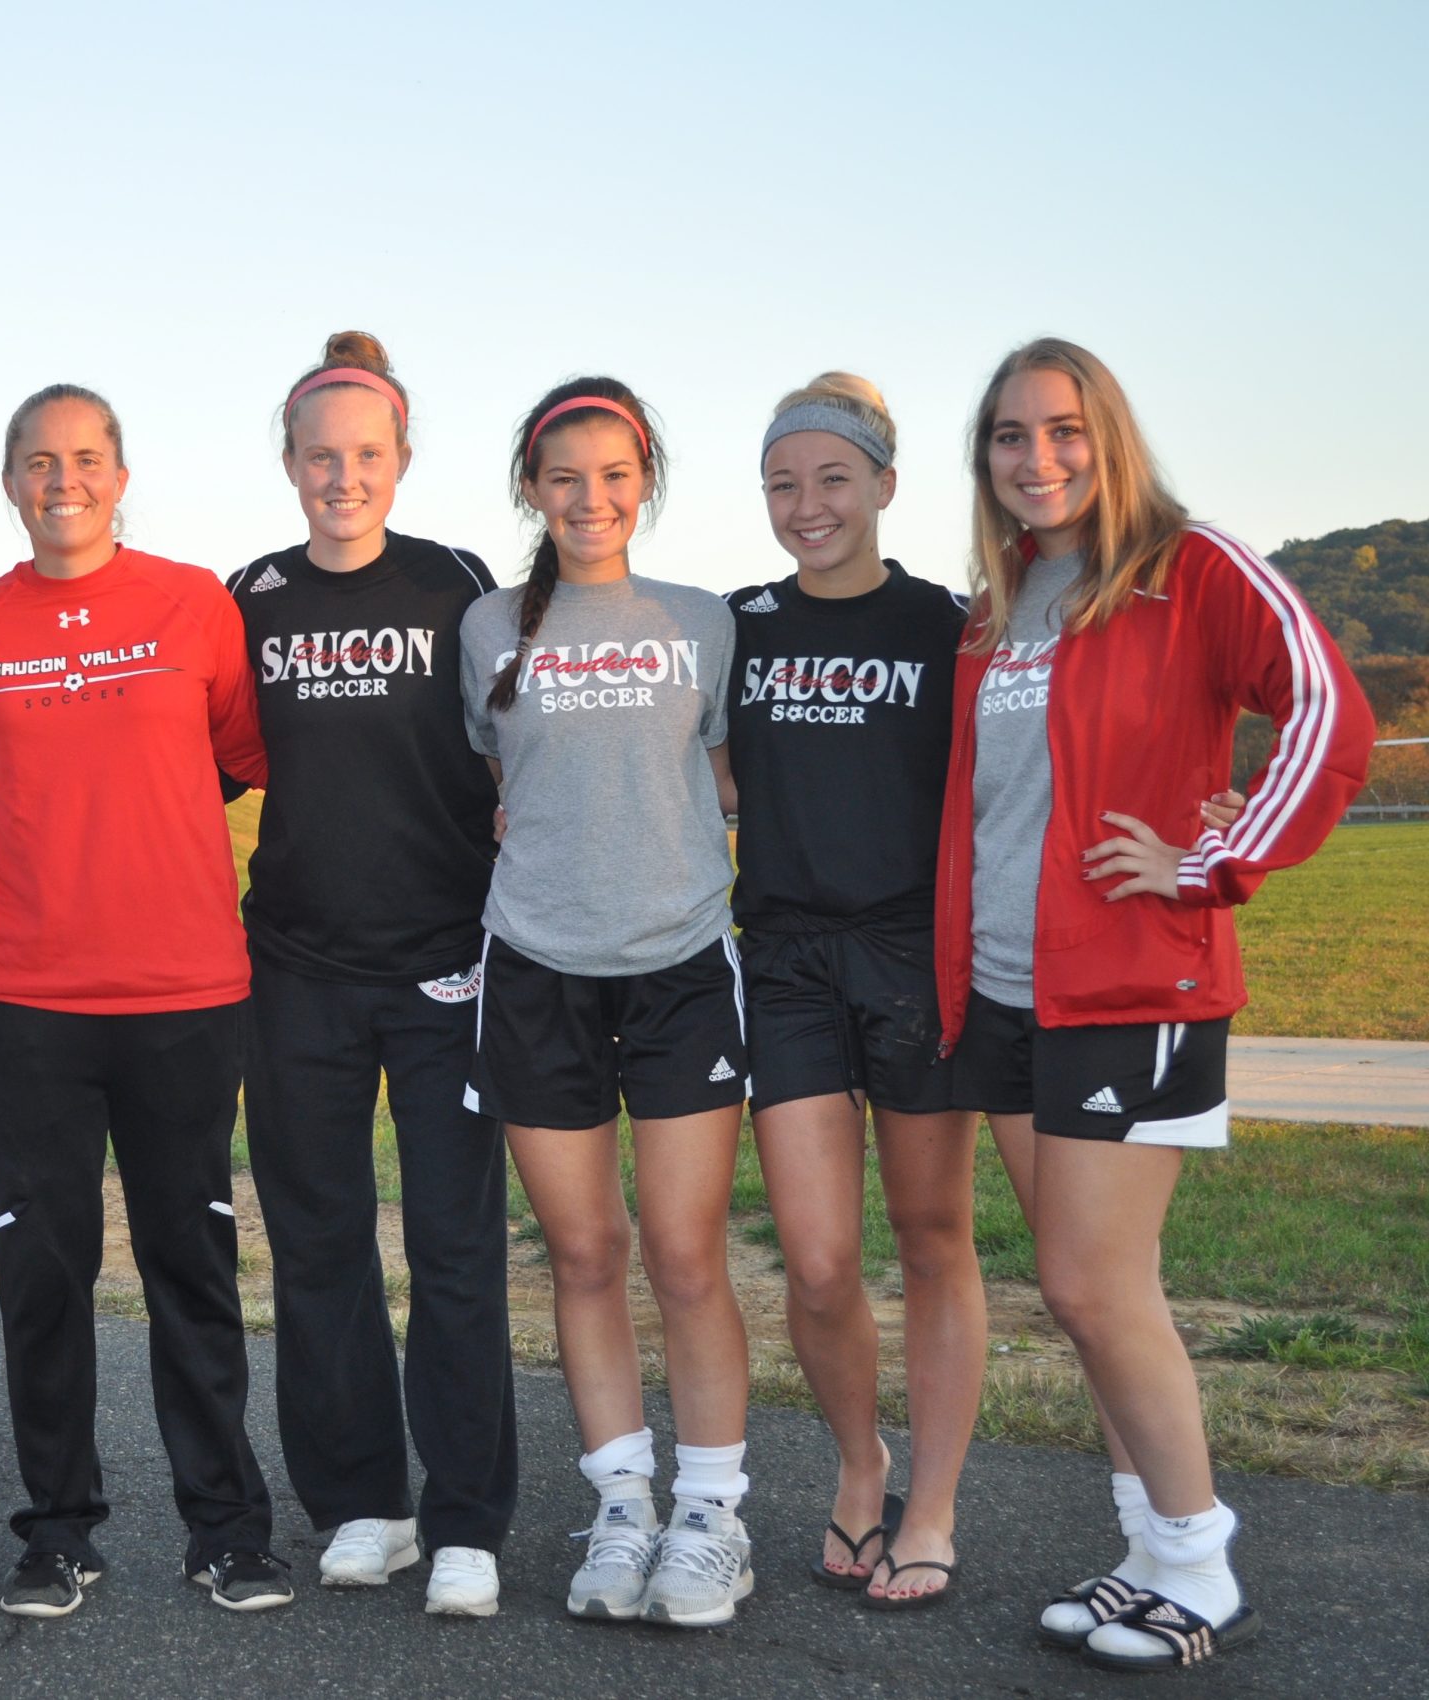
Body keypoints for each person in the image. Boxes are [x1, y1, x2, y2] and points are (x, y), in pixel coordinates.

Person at [938, 337, 1371, 1672]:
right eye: (1010, 436)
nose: (1039, 457)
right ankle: (1146, 1550)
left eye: (1063, 430)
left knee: (1091, 1285)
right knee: (1089, 1297)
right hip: (1011, 990)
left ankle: (1200, 1566)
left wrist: (1210, 861)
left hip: (1138, 984)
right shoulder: (999, 607)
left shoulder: (1191, 568)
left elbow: (1328, 716)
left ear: (1109, 436)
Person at [0, 384, 284, 1619]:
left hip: (184, 987)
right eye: (36, 460)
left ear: (121, 475)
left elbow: (241, 755)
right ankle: (59, 1531)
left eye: (83, 458)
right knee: (44, 1270)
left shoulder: (194, 601)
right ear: (9, 481)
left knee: (190, 1257)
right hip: (27, 992)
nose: (60, 479)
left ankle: (228, 1529)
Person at [459, 378, 757, 1629]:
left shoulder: (703, 621)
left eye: (614, 473)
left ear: (647, 480)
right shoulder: (485, 628)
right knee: (584, 1251)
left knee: (684, 1252)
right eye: (564, 476)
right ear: (531, 487)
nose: (590, 498)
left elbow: (729, 778)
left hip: (682, 961)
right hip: (535, 965)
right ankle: (621, 1502)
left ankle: (708, 1516)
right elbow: (496, 779)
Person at [228, 332, 515, 1616]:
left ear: (400, 462)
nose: (342, 477)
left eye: (366, 455)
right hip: (293, 965)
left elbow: (527, 741)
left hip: (447, 963)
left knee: (455, 1246)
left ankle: (463, 1516)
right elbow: (196, 766)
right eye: (319, 456)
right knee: (319, 1242)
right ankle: (361, 1504)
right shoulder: (252, 595)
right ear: (288, 463)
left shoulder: (460, 584)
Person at [723, 374, 985, 1608]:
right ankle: (857, 1461)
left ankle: (929, 1503)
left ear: (884, 484)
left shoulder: (949, 625)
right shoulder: (739, 625)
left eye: (833, 478)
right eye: (784, 482)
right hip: (781, 963)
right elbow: (679, 762)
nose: (808, 503)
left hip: (910, 961)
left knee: (933, 1238)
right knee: (820, 1260)